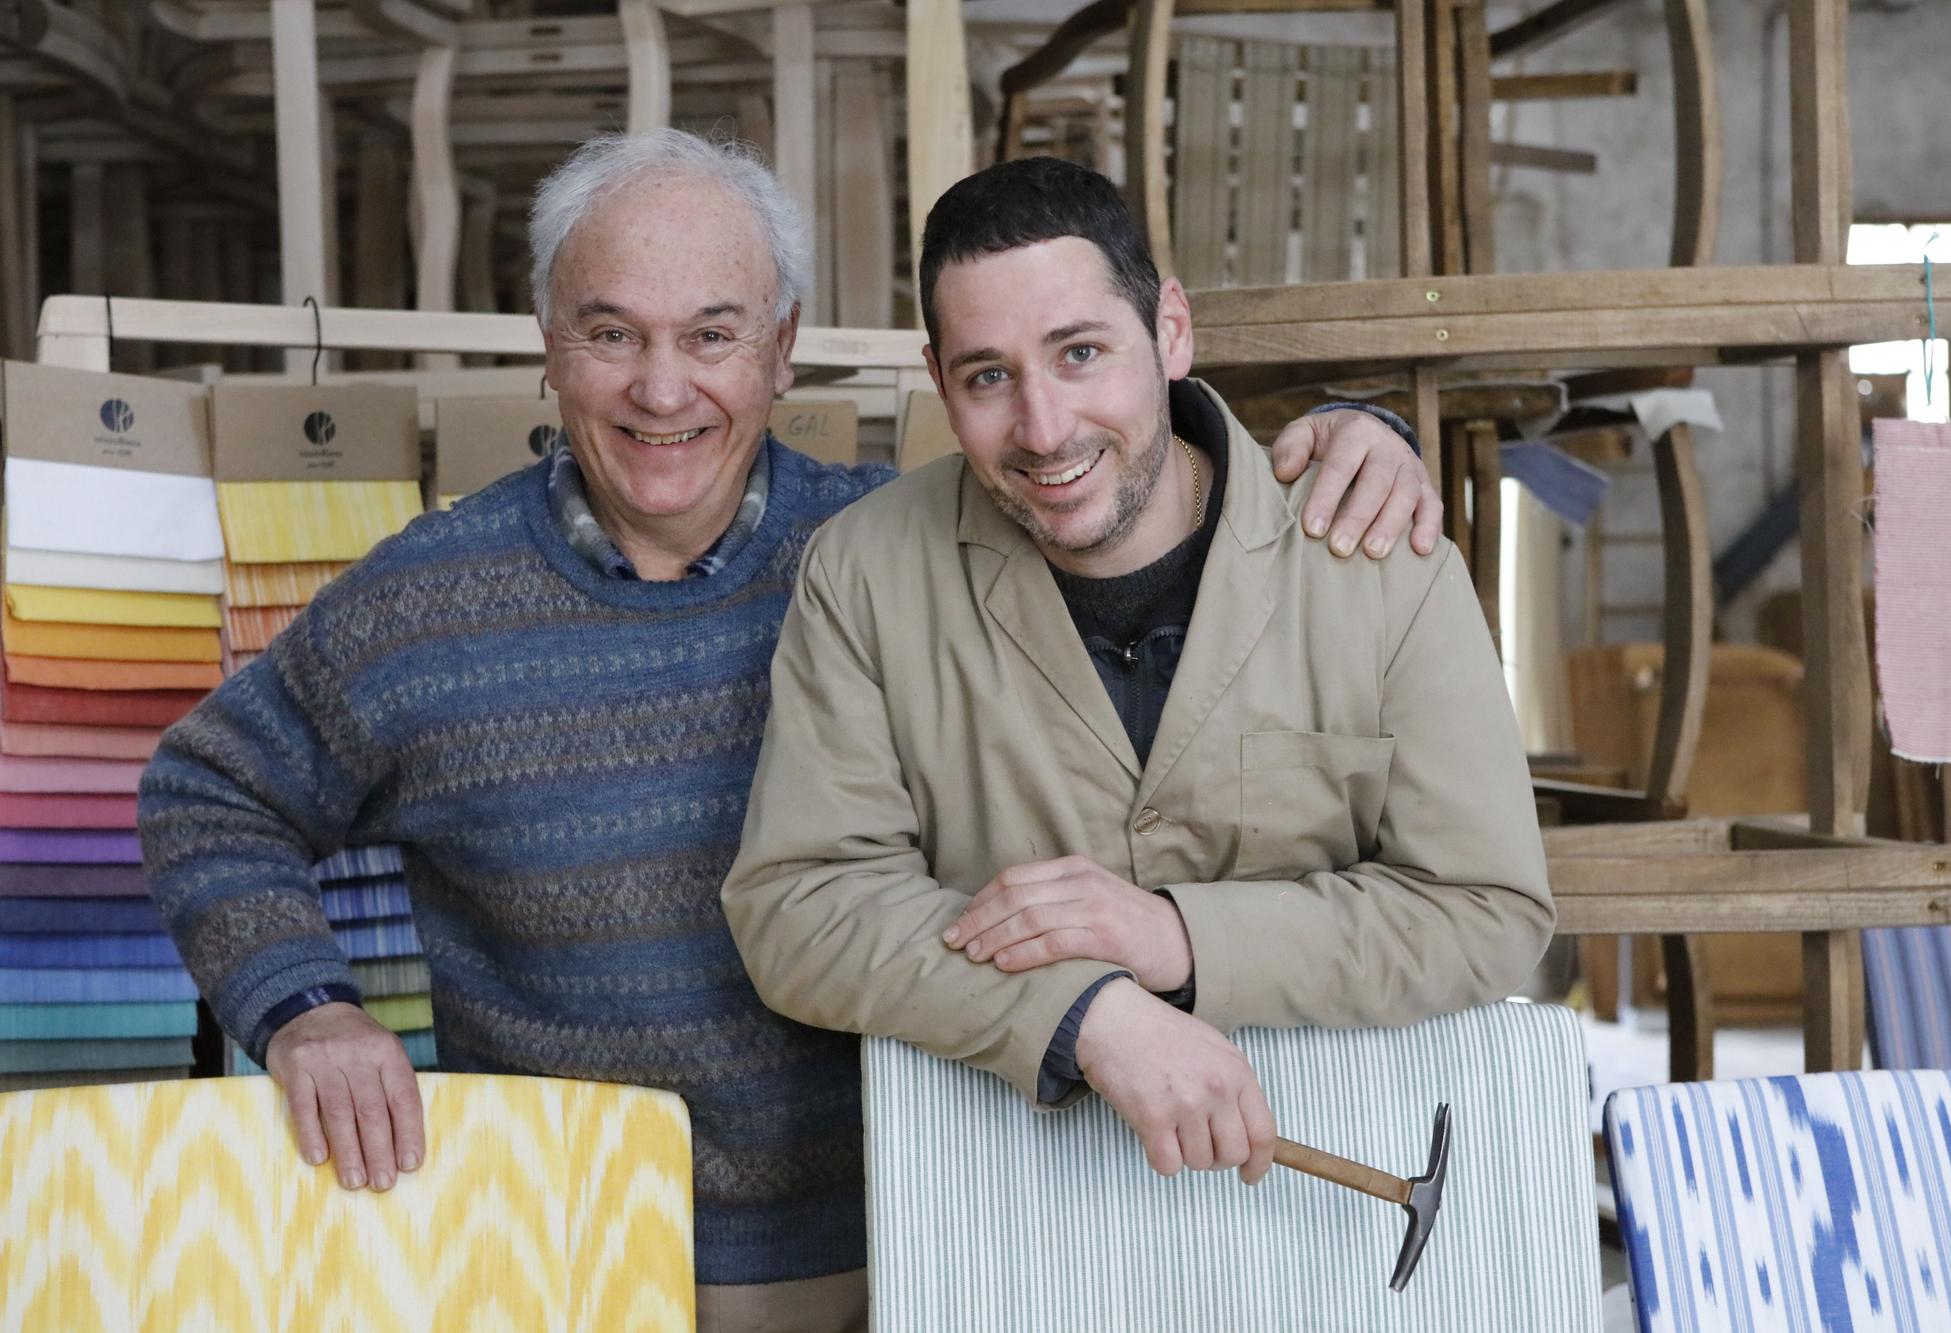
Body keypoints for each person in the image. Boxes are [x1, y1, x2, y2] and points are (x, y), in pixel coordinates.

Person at [139, 132, 1435, 1329]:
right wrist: (306, 1009)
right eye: (611, 333)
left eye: (712, 334)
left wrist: (1350, 453)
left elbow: (1121, 492)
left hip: (929, 1232)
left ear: (783, 347)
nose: (661, 389)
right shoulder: (420, 606)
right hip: (566, 1250)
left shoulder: (910, 555)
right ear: (547, 344)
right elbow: (208, 795)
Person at [722, 156, 1553, 1192]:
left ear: (1168, 330)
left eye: (1079, 353)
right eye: (988, 376)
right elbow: (799, 909)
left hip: (1342, 1184)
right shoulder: (864, 571)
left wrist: (1174, 937)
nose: (1043, 428)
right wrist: (1083, 1012)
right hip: (1013, 1189)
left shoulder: (1374, 555)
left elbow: (1485, 908)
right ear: (938, 382)